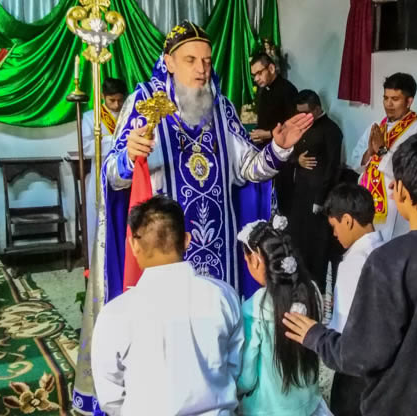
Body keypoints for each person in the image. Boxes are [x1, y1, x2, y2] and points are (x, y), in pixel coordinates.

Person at [100, 21, 313, 298]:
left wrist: (278, 149)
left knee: (219, 310)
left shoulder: (222, 108)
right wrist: (130, 158)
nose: (201, 69)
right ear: (169, 62)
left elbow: (249, 170)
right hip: (164, 245)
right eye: (190, 60)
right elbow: (113, 177)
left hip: (221, 245)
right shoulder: (145, 103)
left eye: (207, 61)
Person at [283, 131, 417, 415]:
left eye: (394, 182)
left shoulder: (390, 260)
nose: (390, 188)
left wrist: (316, 336)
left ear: (402, 191)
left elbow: (363, 355)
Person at [91, 195, 243, 415]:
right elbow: (234, 367)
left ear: (134, 245)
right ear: (187, 240)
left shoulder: (115, 314)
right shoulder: (223, 296)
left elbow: (110, 397)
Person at [236, 217, 331, 416]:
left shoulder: (254, 308)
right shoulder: (311, 292)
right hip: (309, 405)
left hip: (267, 410)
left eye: (247, 260)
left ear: (256, 260)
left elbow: (247, 380)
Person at [322, 183, 384, 416]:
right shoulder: (387, 250)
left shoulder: (354, 263)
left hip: (354, 371)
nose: (335, 234)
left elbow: (344, 327)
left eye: (334, 226)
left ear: (347, 220)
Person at [349, 73, 417, 242]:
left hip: (395, 205)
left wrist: (382, 151)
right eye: (385, 98)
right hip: (367, 201)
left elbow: (414, 171)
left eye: (395, 99)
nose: (388, 104)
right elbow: (354, 162)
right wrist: (369, 153)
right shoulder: (376, 127)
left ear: (409, 101)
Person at [277, 90, 344, 291]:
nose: (301, 118)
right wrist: (296, 160)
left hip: (319, 199)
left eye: (305, 113)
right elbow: (287, 152)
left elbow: (333, 167)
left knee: (317, 246)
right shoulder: (298, 128)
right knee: (298, 242)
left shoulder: (331, 130)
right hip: (299, 195)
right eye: (298, 113)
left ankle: (316, 290)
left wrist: (321, 199)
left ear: (316, 109)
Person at [81, 77, 127, 264]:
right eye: (112, 100)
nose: (116, 105)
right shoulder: (90, 117)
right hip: (101, 175)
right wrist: (115, 141)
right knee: (100, 218)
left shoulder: (128, 115)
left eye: (120, 100)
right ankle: (98, 264)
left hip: (125, 176)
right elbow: (87, 147)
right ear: (102, 96)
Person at [249, 52, 299, 145]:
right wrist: (257, 135)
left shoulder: (288, 90)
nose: (256, 79)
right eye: (254, 75)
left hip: (282, 147)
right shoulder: (264, 90)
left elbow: (294, 123)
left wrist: (269, 134)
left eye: (259, 73)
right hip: (265, 146)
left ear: (271, 68)